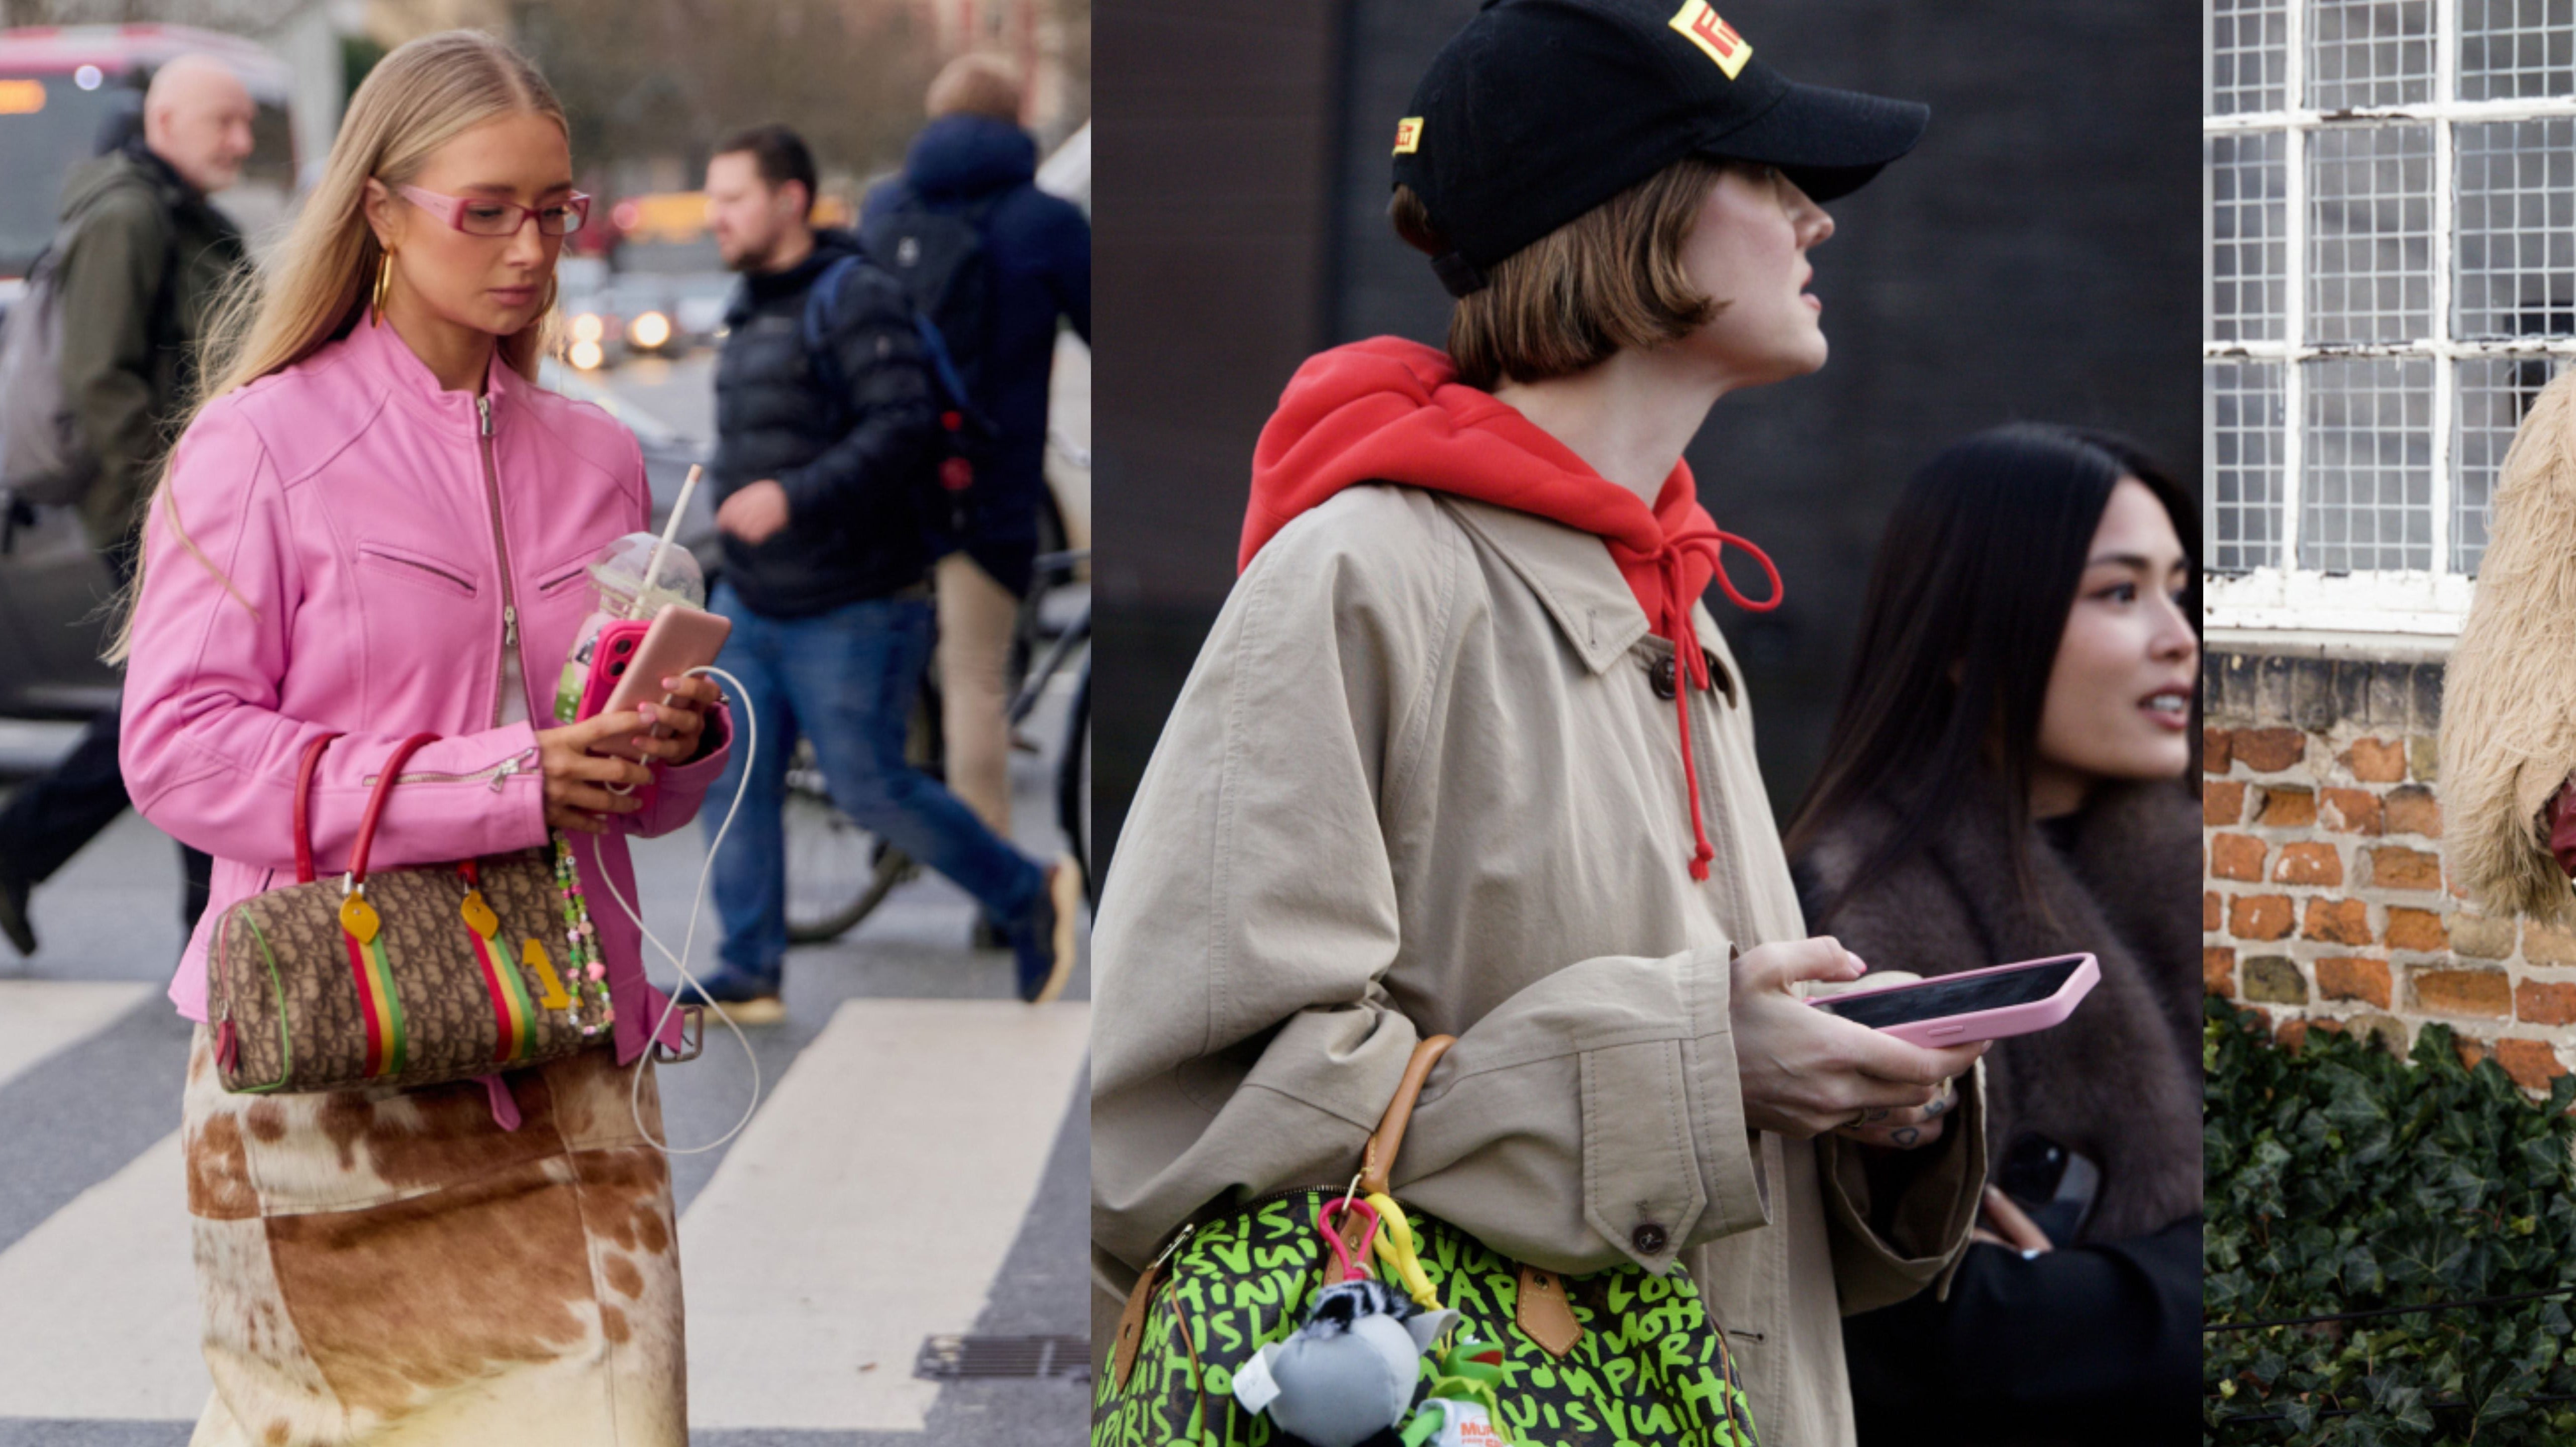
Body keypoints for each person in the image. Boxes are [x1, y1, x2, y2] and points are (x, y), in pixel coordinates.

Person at [1091, 4, 1991, 1441]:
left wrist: (1865, 1102)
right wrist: (1701, 1062)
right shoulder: (1360, 576)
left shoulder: (1679, 599)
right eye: (1763, 174)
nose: (1812, 220)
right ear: (1628, 217)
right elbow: (1185, 1109)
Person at [115, 33, 729, 1440]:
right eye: (487, 208)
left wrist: (662, 741)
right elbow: (182, 751)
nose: (531, 248)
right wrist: (505, 780)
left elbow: (627, 797)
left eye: (555, 209)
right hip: (333, 1064)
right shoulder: (256, 445)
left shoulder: (600, 459)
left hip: (568, 1055)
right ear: (380, 209)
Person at [1785, 427, 2203, 1446]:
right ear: (1970, 635)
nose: (2180, 635)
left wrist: (2098, 1298)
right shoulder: (1839, 919)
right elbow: (1922, 1334)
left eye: (2179, 587)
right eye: (2118, 592)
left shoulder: (2218, 878)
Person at [691, 123, 1081, 1020]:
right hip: (755, 595)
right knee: (733, 769)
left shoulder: (855, 296)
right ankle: (750, 965)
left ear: (790, 201)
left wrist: (792, 494)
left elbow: (902, 426)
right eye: (711, 199)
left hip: (858, 599)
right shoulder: (752, 303)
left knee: (869, 785)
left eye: (732, 198)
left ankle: (1028, 894)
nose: (714, 217)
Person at [0, 55, 253, 958]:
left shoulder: (178, 214)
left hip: (185, 506)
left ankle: (26, 855)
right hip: (156, 512)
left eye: (245, 122)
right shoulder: (128, 215)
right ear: (166, 121)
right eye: (224, 122)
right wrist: (172, 509)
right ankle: (205, 938)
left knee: (182, 701)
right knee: (188, 705)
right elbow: (100, 378)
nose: (243, 140)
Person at [862, 54, 1092, 856]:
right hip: (989, 489)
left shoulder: (884, 208)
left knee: (889, 653)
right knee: (977, 680)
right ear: (1015, 118)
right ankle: (990, 877)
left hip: (886, 481)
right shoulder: (1047, 222)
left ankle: (898, 810)